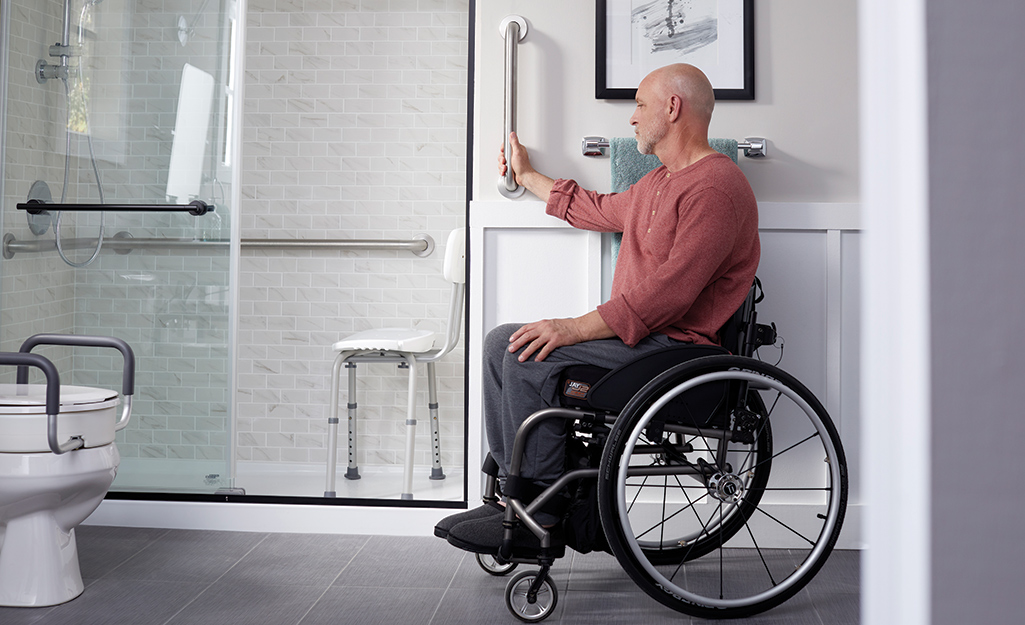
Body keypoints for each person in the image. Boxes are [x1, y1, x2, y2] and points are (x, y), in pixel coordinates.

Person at [437, 63, 760, 554]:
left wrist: (572, 328)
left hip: (674, 349)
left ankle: (537, 518)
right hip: (642, 340)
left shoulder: (715, 186)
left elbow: (671, 293)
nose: (632, 119)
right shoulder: (658, 183)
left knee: (532, 357)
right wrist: (526, 175)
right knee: (500, 341)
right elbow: (595, 208)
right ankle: (514, 497)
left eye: (640, 105)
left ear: (673, 108)